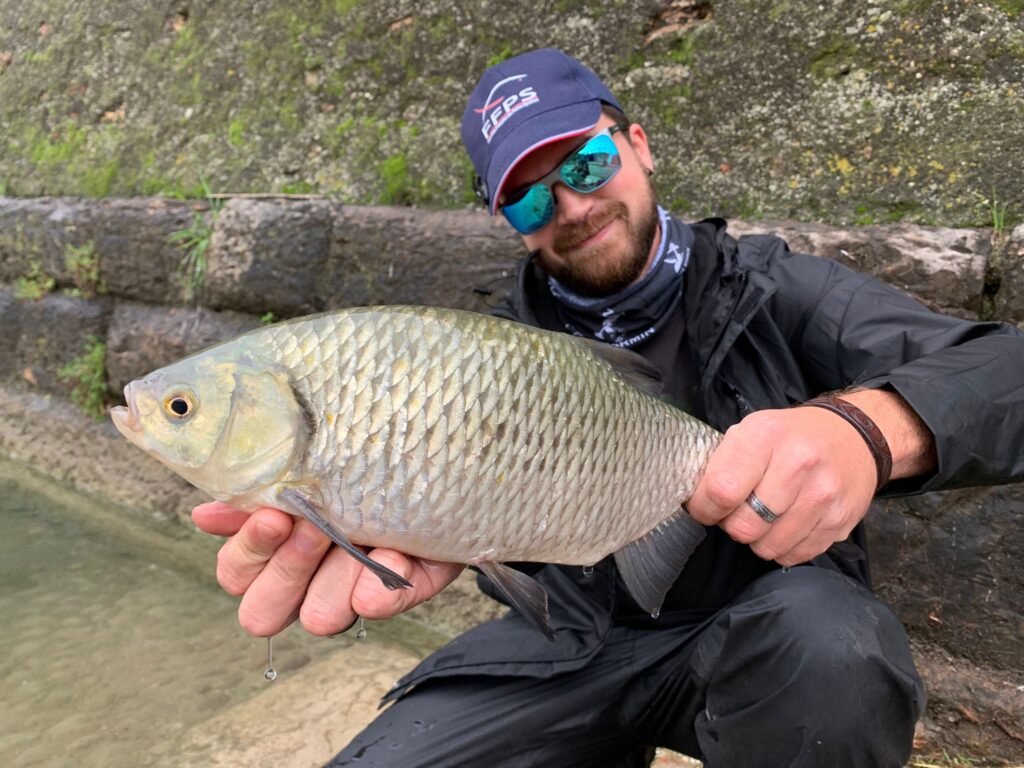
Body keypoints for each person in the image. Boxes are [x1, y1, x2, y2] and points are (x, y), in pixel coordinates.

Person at [192, 48, 1024, 767]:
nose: (572, 208)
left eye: (586, 165)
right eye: (526, 198)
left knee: (835, 655)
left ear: (638, 144)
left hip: (778, 623)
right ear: (504, 222)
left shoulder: (779, 291)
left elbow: (1004, 368)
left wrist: (867, 432)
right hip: (567, 638)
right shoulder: (486, 348)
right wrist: (411, 511)